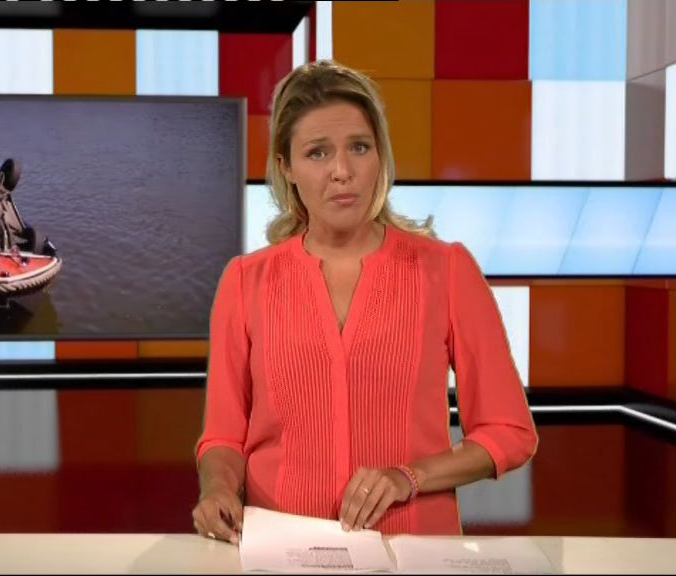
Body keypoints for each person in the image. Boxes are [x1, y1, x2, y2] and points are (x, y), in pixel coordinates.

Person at [192, 60, 537, 541]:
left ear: (380, 156)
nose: (342, 172)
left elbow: (509, 432)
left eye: (359, 147)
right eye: (317, 153)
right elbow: (224, 438)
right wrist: (217, 490)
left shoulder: (447, 270)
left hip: (414, 553)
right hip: (283, 549)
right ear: (286, 167)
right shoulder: (245, 281)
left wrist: (409, 477)